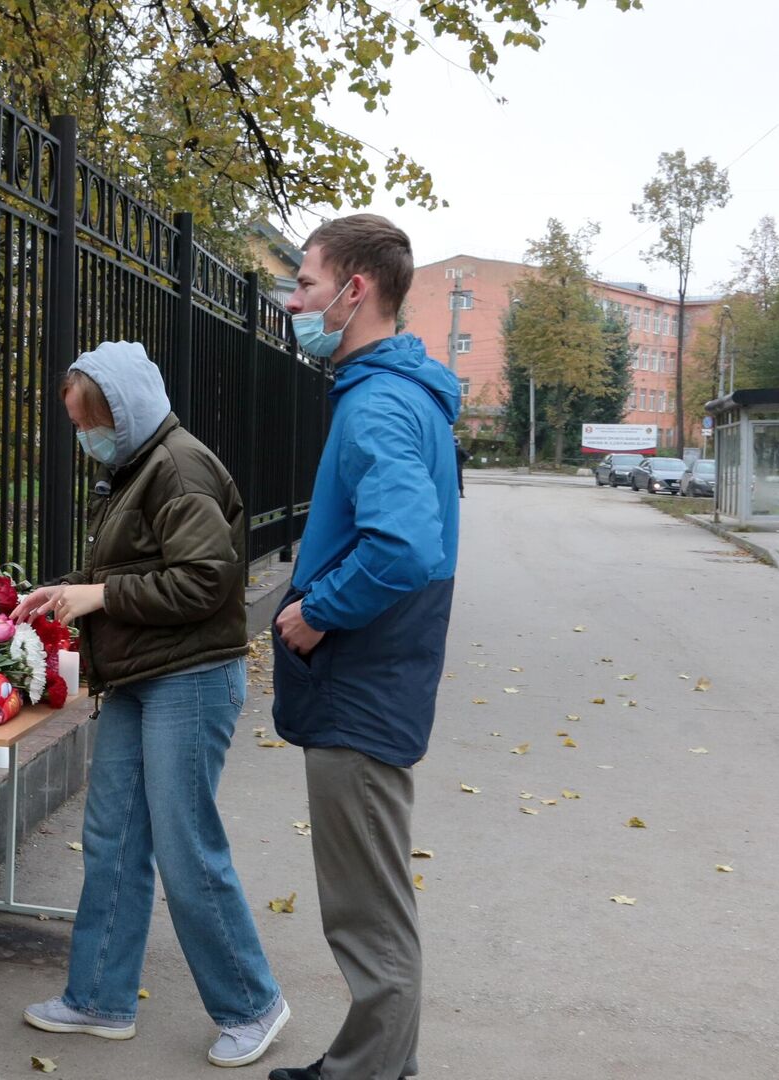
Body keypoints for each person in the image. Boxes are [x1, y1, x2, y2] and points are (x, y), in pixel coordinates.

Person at [13, 340, 290, 1069]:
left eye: (88, 422)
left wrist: (97, 595)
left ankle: (252, 1005)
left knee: (185, 847)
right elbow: (134, 567)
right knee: (114, 838)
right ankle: (99, 999)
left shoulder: (179, 466)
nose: (83, 438)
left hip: (190, 680)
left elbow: (205, 582)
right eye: (77, 424)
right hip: (146, 675)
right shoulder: (138, 465)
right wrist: (66, 587)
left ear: (122, 412)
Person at [267, 214, 461, 1080]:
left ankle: (367, 1076)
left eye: (305, 284)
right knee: (374, 904)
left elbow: (406, 545)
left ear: (357, 292)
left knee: (366, 914)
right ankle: (380, 1065)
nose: (293, 301)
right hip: (377, 677)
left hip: (359, 681)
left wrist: (317, 612)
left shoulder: (379, 402)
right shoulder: (398, 392)